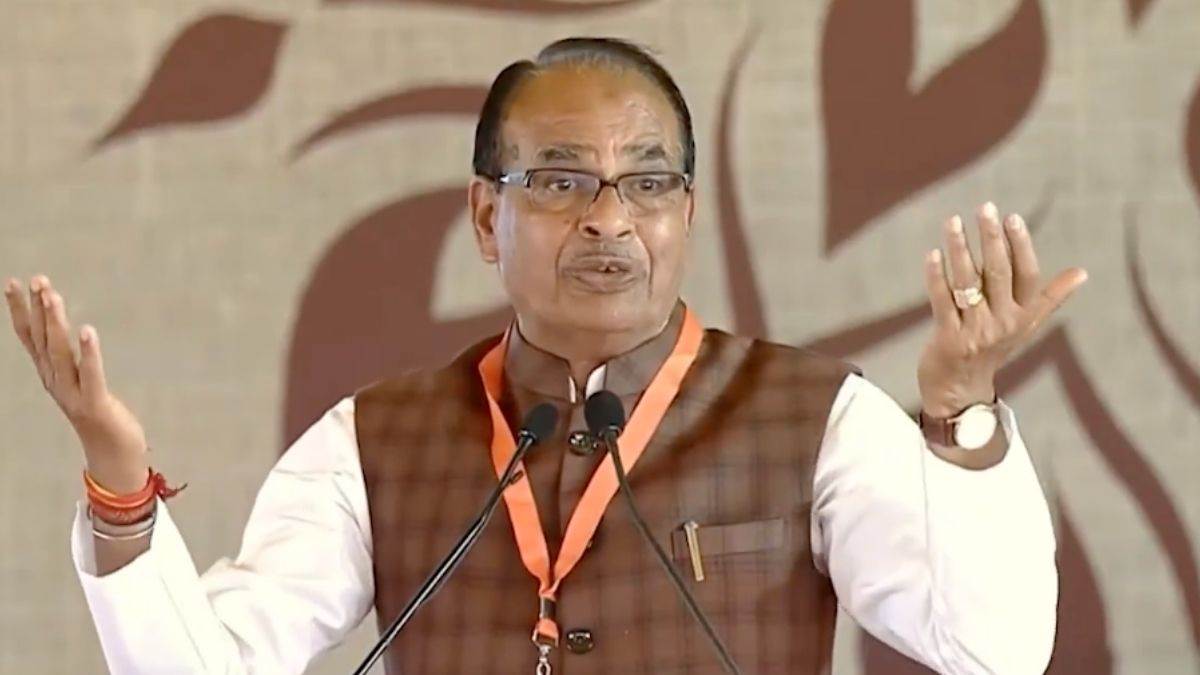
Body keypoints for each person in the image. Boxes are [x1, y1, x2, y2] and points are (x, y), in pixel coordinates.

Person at [5, 37, 1086, 675]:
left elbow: (991, 651)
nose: (610, 219)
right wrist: (119, 485)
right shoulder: (372, 440)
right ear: (488, 217)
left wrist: (962, 408)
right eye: (562, 182)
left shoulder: (816, 415)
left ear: (686, 214)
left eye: (648, 182)